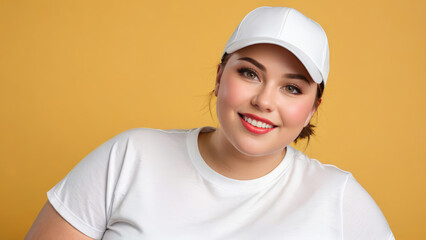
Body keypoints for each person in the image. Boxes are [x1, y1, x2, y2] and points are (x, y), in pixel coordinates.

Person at [26, 6, 394, 240]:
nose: (264, 101)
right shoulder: (130, 155)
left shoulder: (338, 198)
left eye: (292, 88)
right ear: (219, 77)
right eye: (250, 73)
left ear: (314, 106)